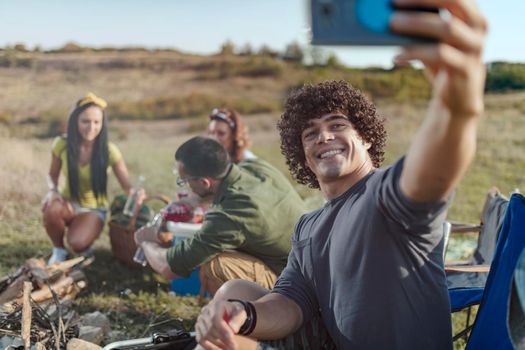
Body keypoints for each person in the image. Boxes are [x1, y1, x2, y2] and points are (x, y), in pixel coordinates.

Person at [194, 0, 488, 348]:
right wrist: (246, 314)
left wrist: (457, 110)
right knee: (235, 294)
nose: (324, 136)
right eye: (310, 133)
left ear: (365, 138)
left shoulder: (386, 195)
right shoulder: (309, 226)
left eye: (337, 125)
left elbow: (434, 171)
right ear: (303, 154)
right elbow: (292, 303)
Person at [134, 136, 307, 296]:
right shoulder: (257, 168)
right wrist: (193, 201)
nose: (185, 187)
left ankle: (250, 322)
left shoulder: (229, 215)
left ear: (204, 182)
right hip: (312, 263)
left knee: (217, 265)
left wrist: (147, 242)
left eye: (185, 181)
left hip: (296, 284)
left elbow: (169, 267)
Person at [42, 93, 138, 265]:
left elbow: (128, 186)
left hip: (93, 210)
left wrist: (136, 193)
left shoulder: (109, 150)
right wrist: (52, 191)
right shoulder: (61, 144)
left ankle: (84, 240)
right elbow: (52, 176)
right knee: (51, 208)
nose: (91, 127)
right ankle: (59, 250)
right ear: (75, 122)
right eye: (85, 121)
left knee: (78, 244)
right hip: (68, 204)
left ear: (102, 124)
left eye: (96, 122)